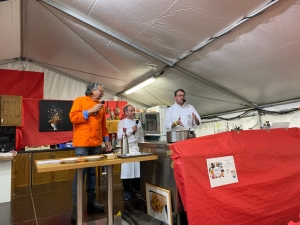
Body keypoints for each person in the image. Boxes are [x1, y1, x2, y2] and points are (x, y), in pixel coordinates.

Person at [69, 82, 112, 222]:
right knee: (81, 173)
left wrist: (107, 140)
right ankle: (76, 206)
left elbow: (103, 126)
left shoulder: (101, 106)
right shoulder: (79, 101)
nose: (102, 92)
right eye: (101, 90)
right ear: (92, 91)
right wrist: (89, 111)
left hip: (96, 144)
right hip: (82, 144)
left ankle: (91, 203)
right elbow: (73, 118)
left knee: (93, 172)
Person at [117, 104, 144, 201]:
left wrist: (143, 145)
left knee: (137, 170)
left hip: (136, 148)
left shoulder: (138, 122)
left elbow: (141, 135)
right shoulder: (122, 122)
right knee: (127, 171)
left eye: (134, 111)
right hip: (127, 148)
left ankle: (137, 189)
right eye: (131, 111)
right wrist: (130, 130)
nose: (133, 112)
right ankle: (127, 190)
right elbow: (119, 135)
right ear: (126, 112)